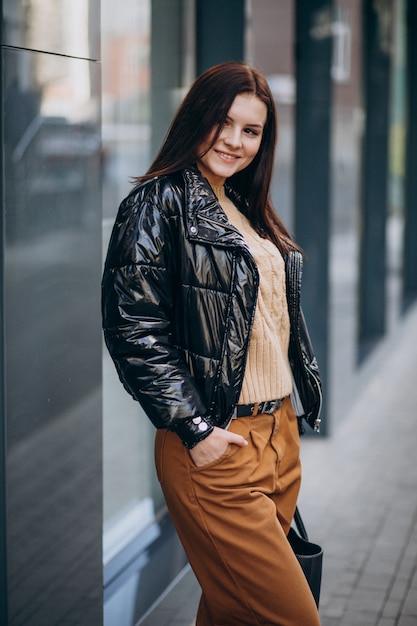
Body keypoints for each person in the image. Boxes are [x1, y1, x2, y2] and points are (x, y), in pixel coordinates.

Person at [102, 61, 323, 626]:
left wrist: (291, 417)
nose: (235, 140)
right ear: (195, 117)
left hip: (278, 436)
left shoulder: (244, 207)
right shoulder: (159, 202)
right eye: (224, 122)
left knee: (233, 612)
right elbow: (134, 327)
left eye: (251, 131)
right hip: (215, 445)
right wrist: (193, 428)